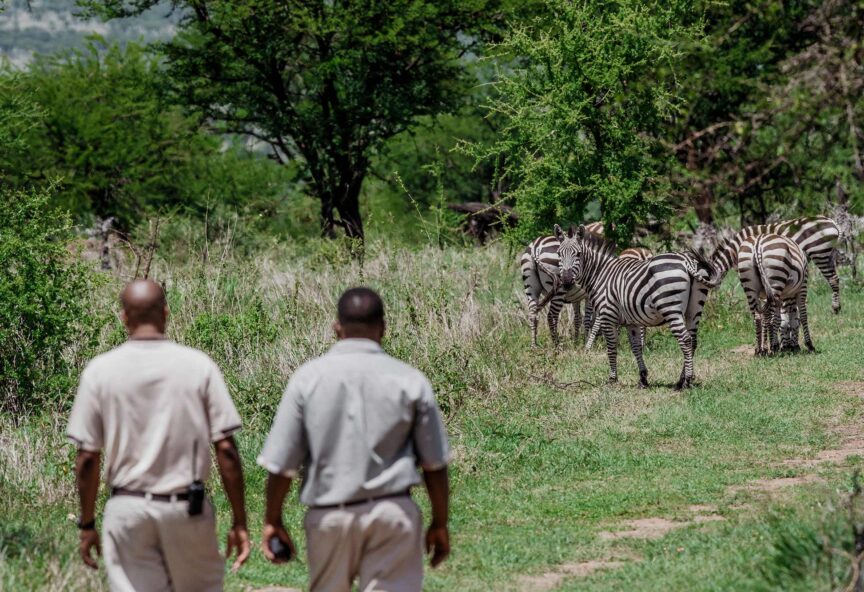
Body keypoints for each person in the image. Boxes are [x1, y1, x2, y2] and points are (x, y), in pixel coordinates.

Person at [258, 287, 451, 592]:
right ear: (383, 329)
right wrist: (440, 523)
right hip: (393, 513)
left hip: (330, 517)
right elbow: (434, 464)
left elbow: (282, 465)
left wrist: (273, 519)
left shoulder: (307, 379)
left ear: (337, 328)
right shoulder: (410, 380)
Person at [67, 279, 250, 591]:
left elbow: (87, 458)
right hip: (185, 510)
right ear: (166, 313)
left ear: (124, 317)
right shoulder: (198, 366)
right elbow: (227, 450)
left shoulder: (100, 371)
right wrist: (239, 520)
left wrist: (87, 524)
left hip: (128, 509)